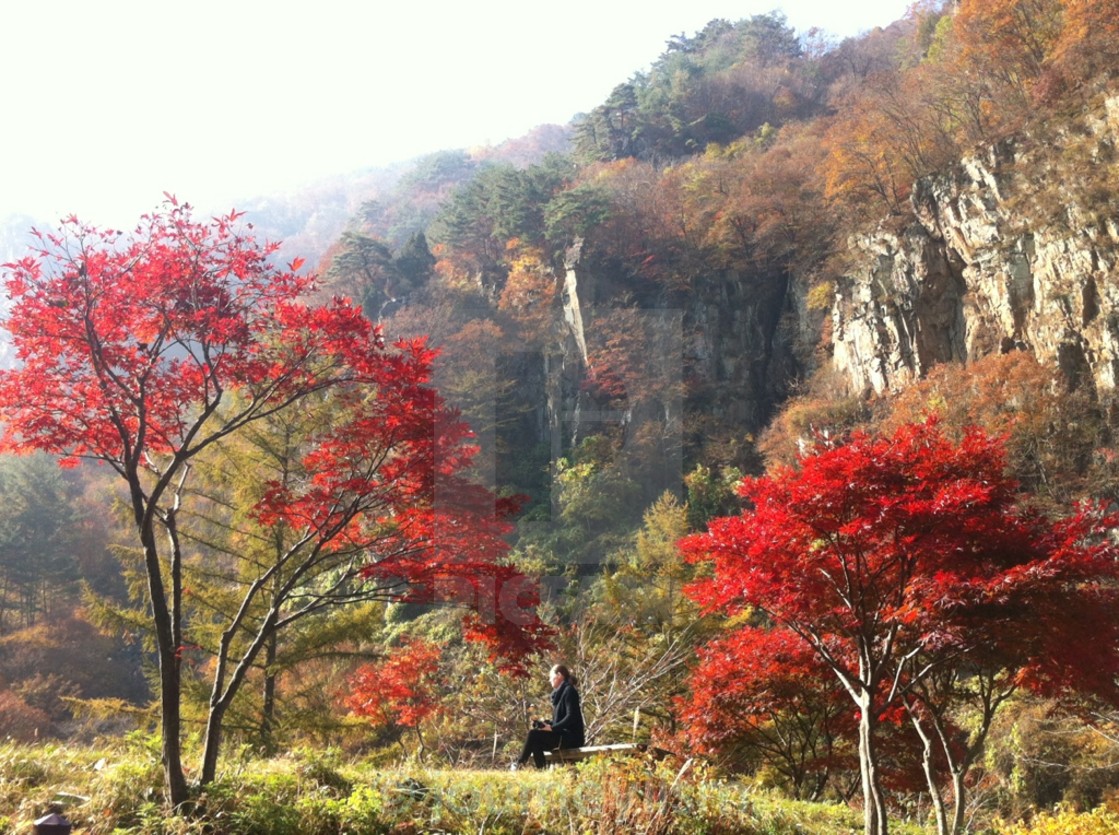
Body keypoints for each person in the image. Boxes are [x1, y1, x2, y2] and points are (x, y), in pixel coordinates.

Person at [512, 663, 585, 769]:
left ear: (559, 675)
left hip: (572, 738)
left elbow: (571, 716)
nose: (549, 680)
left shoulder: (569, 691)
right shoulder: (559, 695)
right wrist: (546, 724)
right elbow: (559, 720)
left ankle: (519, 765)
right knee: (536, 740)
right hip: (562, 735)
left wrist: (552, 728)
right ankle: (542, 771)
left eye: (551, 677)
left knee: (533, 734)